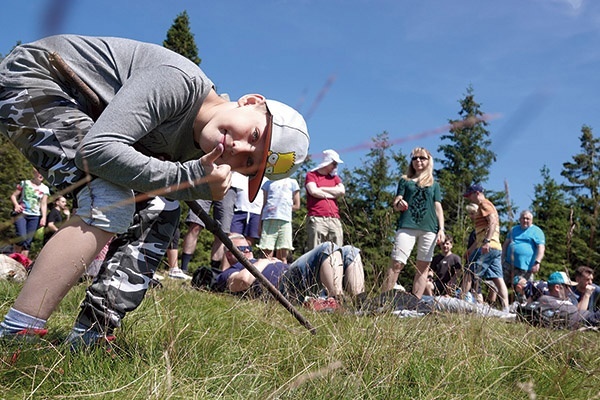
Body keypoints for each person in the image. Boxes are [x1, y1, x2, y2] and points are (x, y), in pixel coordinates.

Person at [0, 35, 309, 343]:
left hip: (81, 114)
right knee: (111, 198)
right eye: (255, 134)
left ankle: (91, 334)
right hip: (35, 77)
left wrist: (182, 184)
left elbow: (155, 180)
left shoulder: (198, 144)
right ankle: (18, 332)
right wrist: (190, 180)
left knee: (162, 210)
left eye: (248, 162)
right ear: (251, 101)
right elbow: (96, 151)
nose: (238, 148)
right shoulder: (180, 82)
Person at [215, 237, 365, 308]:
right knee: (328, 246)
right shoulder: (229, 272)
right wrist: (265, 261)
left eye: (249, 248)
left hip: (298, 280)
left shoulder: (261, 260)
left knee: (350, 251)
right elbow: (243, 281)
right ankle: (336, 300)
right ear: (229, 254)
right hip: (283, 287)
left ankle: (360, 301)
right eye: (241, 249)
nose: (247, 250)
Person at [380, 147, 445, 298]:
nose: (418, 161)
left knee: (423, 266)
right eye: (415, 158)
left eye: (422, 158)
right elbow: (396, 203)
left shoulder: (434, 185)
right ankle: (383, 299)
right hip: (407, 226)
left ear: (429, 161)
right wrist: (399, 203)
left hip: (429, 228)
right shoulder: (405, 180)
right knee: (397, 262)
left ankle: (415, 302)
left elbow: (438, 206)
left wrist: (441, 229)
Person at [462, 184, 510, 312]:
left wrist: (487, 241)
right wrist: (471, 249)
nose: (469, 199)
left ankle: (461, 302)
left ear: (477, 193)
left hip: (488, 246)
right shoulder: (486, 205)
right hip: (496, 247)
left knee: (469, 272)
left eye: (470, 195)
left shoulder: (484, 204)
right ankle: (506, 308)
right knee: (498, 278)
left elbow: (492, 221)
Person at [179, 190, 236, 275]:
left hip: (230, 187)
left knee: (222, 234)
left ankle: (213, 273)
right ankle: (184, 269)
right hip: (206, 182)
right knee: (195, 225)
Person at [305, 149, 345, 250]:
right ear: (328, 162)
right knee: (315, 250)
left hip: (334, 219)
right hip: (317, 218)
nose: (335, 166)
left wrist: (322, 189)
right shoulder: (312, 175)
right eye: (334, 163)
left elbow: (341, 191)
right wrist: (333, 194)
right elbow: (313, 191)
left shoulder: (335, 178)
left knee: (336, 250)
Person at [258, 177, 301, 262]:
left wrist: (283, 208)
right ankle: (264, 274)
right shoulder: (268, 182)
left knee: (282, 256)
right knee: (266, 255)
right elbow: (264, 204)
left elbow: (297, 205)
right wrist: (259, 224)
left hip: (285, 221)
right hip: (268, 219)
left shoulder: (292, 182)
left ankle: (282, 274)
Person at [10, 168, 49, 257]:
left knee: (27, 242)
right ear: (34, 173)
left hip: (35, 216)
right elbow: (13, 196)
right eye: (39, 173)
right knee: (21, 237)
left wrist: (43, 217)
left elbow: (43, 204)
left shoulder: (45, 189)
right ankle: (14, 257)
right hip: (22, 213)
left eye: (43, 173)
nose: (41, 175)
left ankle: (22, 263)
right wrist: (16, 205)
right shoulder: (25, 183)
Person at [502, 210, 545, 282]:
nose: (525, 220)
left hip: (526, 267)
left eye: (527, 219)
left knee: (523, 289)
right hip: (509, 264)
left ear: (531, 220)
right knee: (499, 285)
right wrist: (502, 258)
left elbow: (541, 247)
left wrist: (537, 262)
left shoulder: (537, 231)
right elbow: (506, 244)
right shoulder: (514, 229)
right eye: (523, 218)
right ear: (520, 219)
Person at [229, 172, 264, 246]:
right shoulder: (236, 175)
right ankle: (231, 256)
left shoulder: (265, 179)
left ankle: (245, 256)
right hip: (238, 210)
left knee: (249, 240)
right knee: (233, 237)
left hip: (256, 212)